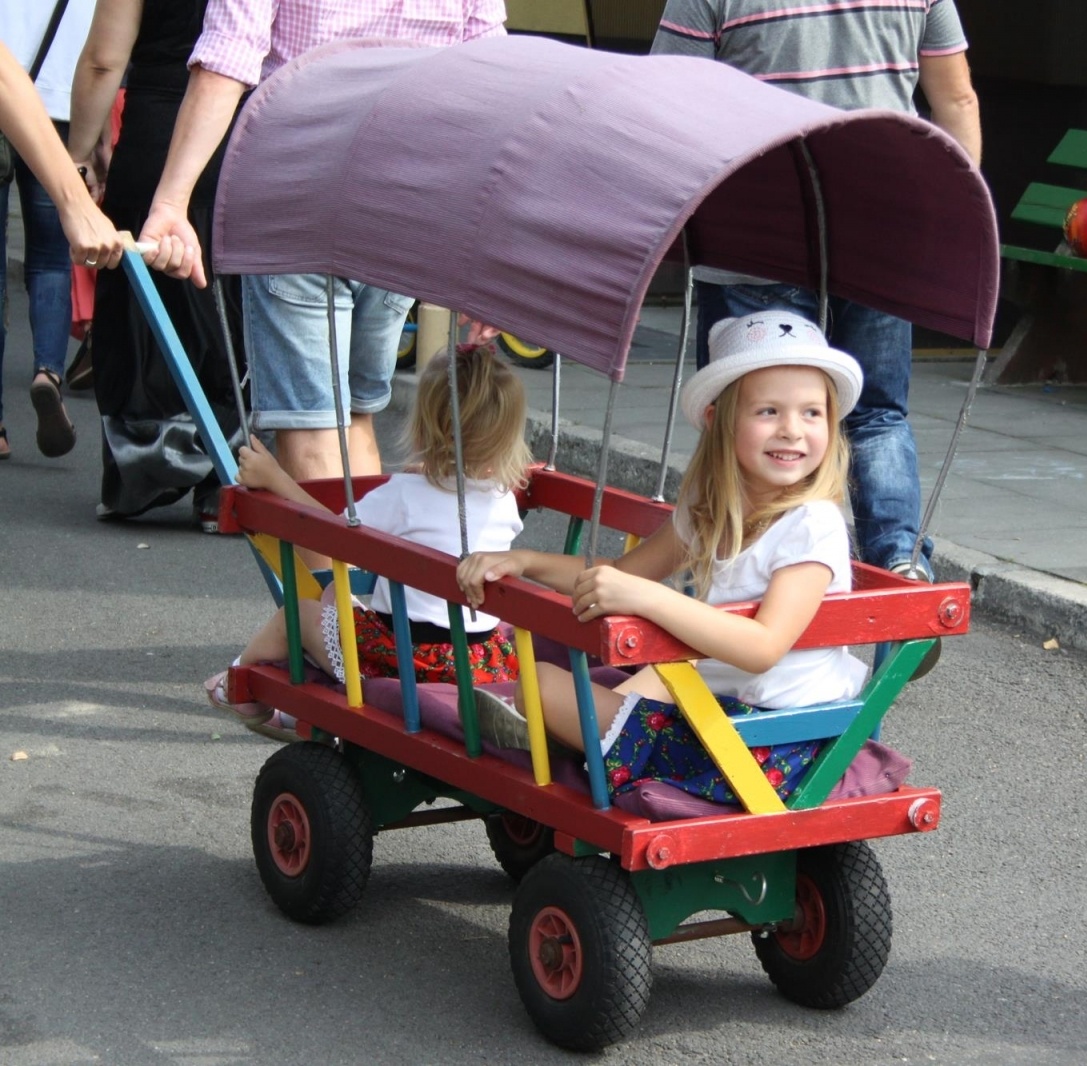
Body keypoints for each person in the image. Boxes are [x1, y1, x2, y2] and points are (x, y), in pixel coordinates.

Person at [138, 0, 505, 562]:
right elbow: (497, 79)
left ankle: (341, 628)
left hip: (297, 187)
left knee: (312, 423)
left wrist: (171, 199)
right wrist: (489, 251)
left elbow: (228, 61)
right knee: (356, 412)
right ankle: (378, 612)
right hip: (406, 197)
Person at [456, 312, 867, 805]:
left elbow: (763, 647)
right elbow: (620, 577)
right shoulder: (712, 514)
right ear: (719, 422)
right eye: (768, 412)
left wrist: (648, 599)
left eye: (811, 413)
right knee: (598, 679)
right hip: (719, 713)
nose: (792, 430)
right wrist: (525, 561)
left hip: (770, 747)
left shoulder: (812, 525)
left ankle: (578, 743)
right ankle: (581, 733)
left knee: (543, 685)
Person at [650, 0, 980, 589]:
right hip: (883, 238)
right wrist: (954, 225)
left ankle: (738, 572)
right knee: (877, 414)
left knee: (746, 415)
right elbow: (956, 100)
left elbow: (668, 106)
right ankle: (898, 564)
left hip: (754, 237)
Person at [205, 345, 531, 741]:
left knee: (301, 616)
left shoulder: (403, 495)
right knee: (341, 602)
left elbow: (334, 532)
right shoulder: (503, 502)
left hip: (402, 660)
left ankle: (238, 684)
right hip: (481, 662)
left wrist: (278, 480)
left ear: (426, 426)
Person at [68, 0, 245, 528]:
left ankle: (140, 471)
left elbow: (104, 58)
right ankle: (227, 481)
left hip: (158, 124)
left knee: (142, 298)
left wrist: (78, 151)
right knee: (232, 301)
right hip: (246, 129)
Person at [1, 3, 119, 462]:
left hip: (8, 95)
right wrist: (101, 129)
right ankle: (47, 372)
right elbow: (102, 53)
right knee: (51, 258)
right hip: (63, 108)